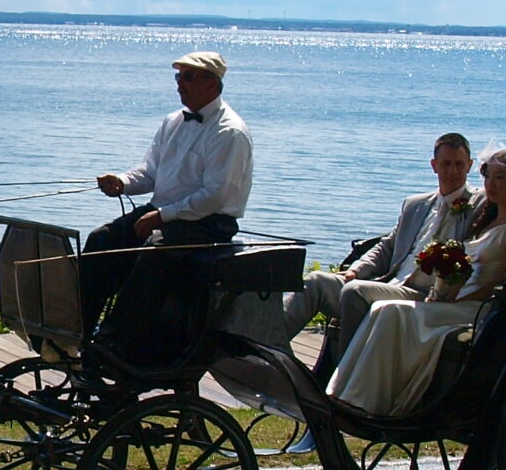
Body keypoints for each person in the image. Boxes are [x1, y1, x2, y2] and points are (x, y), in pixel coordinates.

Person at [326, 147, 506, 417]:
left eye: (501, 178)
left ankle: (363, 399)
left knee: (391, 311)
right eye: (488, 177)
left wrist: (458, 299)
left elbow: (501, 281)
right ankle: (344, 391)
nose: (491, 185)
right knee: (382, 309)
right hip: (455, 298)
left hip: (477, 306)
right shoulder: (486, 216)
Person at [80, 51, 253, 362]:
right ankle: (79, 330)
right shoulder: (173, 121)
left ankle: (117, 340)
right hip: (164, 211)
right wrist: (121, 181)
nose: (179, 84)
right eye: (178, 77)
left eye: (187, 77)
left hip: (208, 222)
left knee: (153, 248)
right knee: (101, 239)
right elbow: (150, 173)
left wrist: (162, 216)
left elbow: (214, 196)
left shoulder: (230, 132)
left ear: (212, 85)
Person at [284, 131, 481, 379]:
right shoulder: (415, 204)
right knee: (316, 282)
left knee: (356, 292)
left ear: (470, 166)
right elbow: (386, 247)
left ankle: (345, 380)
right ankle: (265, 352)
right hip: (392, 284)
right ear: (434, 166)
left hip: (427, 296)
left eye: (459, 164)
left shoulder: (481, 202)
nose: (453, 171)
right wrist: (356, 270)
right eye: (446, 164)